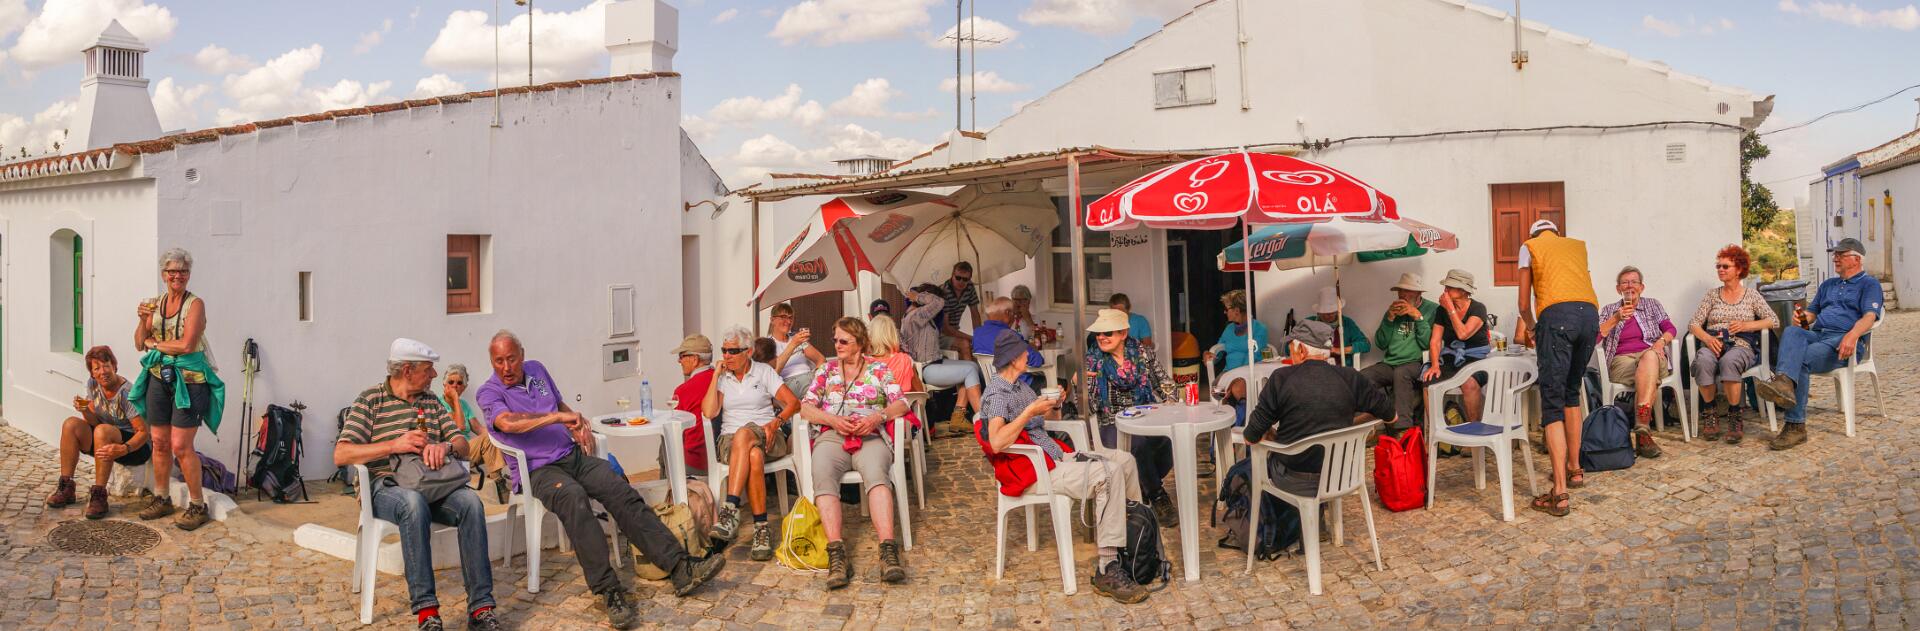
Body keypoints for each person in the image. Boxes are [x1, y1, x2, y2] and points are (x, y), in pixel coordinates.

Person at [477, 330, 724, 628]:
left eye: (511, 359)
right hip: (538, 470)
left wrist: (577, 423)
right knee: (574, 498)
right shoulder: (489, 392)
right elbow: (506, 423)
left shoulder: (537, 370)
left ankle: (679, 566)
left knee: (618, 487)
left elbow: (560, 404)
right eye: (499, 361)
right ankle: (608, 590)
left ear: (522, 355)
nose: (506, 367)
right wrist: (557, 418)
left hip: (571, 456)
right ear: (492, 362)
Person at [333, 339, 501, 631]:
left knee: (471, 503)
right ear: (407, 370)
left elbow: (462, 443)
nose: (434, 375)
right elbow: (342, 453)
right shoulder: (370, 400)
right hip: (384, 486)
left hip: (431, 484)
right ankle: (427, 613)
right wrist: (393, 445)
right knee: (413, 503)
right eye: (428, 369)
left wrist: (446, 446)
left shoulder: (431, 401)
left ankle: (481, 608)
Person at [976, 328, 1149, 604]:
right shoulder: (997, 394)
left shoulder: (1021, 386)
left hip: (1055, 457)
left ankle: (1133, 546)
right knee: (1109, 473)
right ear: (1013, 358)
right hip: (1035, 470)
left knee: (1125, 461)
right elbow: (996, 441)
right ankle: (1108, 568)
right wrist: (1029, 412)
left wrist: (1054, 406)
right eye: (1024, 352)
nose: (1028, 355)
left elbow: (1043, 425)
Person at [796, 317, 913, 589]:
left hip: (869, 434)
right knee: (822, 471)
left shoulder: (879, 369)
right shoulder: (826, 371)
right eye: (835, 340)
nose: (837, 345)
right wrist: (832, 420)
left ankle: (888, 551)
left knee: (877, 474)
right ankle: (837, 555)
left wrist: (876, 417)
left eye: (843, 341)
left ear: (859, 344)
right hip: (832, 435)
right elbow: (805, 408)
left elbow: (902, 404)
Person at [128, 247, 225, 531]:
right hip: (159, 378)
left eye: (182, 271)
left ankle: (197, 505)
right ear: (164, 274)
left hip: (190, 381)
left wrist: (155, 344)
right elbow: (139, 342)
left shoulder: (195, 305)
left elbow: (187, 345)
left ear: (188, 275)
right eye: (172, 271)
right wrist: (142, 321)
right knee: (159, 442)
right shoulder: (156, 304)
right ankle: (162, 497)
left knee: (181, 446)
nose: (177, 276)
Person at [1755, 238, 1883, 451]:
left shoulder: (1869, 284)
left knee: (1801, 360)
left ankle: (1795, 426)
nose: (1835, 258)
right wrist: (1802, 318)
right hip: (1819, 335)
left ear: (1856, 259)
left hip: (1844, 340)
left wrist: (1852, 335)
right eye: (1835, 254)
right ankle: (1784, 383)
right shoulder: (1828, 285)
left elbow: (1870, 317)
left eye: (1841, 255)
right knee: (1792, 331)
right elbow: (1812, 314)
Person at [1516, 219, 1599, 517]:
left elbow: (1523, 304)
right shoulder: (1576, 247)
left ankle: (1560, 493)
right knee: (1571, 393)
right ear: (1557, 233)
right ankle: (1575, 468)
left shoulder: (1529, 247)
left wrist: (1532, 328)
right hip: (1589, 316)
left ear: (1533, 234)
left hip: (1556, 317)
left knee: (1551, 402)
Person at [1242, 320, 1394, 481]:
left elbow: (1250, 437)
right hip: (1342, 477)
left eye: (1291, 347)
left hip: (1294, 479)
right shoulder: (1351, 377)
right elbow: (1391, 416)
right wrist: (1351, 426)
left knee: (1251, 461)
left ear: (1301, 350)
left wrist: (1270, 433)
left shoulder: (1280, 378)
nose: (1290, 353)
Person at [703, 326, 801, 561]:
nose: (726, 356)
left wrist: (776, 423)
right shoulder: (723, 378)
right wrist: (715, 376)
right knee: (752, 452)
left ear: (747, 352)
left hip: (768, 434)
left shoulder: (763, 372)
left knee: (745, 434)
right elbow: (708, 412)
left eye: (732, 351)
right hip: (731, 441)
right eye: (724, 350)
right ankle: (761, 529)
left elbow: (793, 403)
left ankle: (730, 510)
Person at [1083, 309, 1181, 523]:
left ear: (1123, 333)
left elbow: (1164, 382)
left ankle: (1141, 487)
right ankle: (1157, 495)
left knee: (1168, 441)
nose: (1101, 337)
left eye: (1107, 332)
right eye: (1099, 333)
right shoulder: (1092, 361)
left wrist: (1171, 402)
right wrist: (1083, 384)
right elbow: (1089, 407)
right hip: (1111, 421)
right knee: (1138, 445)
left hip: (1145, 415)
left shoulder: (1142, 353)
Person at [47, 346, 154, 520]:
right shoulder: (93, 385)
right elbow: (94, 422)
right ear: (92, 373)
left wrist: (124, 448)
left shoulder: (127, 393)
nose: (103, 372)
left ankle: (99, 495)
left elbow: (143, 432)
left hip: (136, 448)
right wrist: (84, 410)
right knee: (71, 424)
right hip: (105, 439)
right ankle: (66, 487)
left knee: (102, 431)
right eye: (97, 368)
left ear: (115, 366)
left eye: (106, 366)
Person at [1687, 245, 1779, 444]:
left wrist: (1747, 325)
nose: (1720, 269)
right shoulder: (1712, 295)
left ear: (1739, 270)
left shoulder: (1751, 295)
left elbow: (1773, 320)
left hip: (1741, 344)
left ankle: (1735, 415)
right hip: (1713, 343)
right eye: (1718, 266)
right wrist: (1707, 339)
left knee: (1730, 361)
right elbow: (1693, 324)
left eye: (1725, 266)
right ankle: (1710, 412)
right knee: (1702, 361)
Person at [1597, 266, 1675, 458]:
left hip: (1652, 354)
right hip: (1622, 361)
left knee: (1649, 358)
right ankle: (1643, 433)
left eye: (1634, 282)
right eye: (1625, 282)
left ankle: (1641, 426)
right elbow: (1595, 338)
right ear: (1618, 289)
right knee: (1648, 370)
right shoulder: (1608, 310)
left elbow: (1670, 329)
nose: (1629, 286)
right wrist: (1616, 318)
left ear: (1642, 287)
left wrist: (1660, 342)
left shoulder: (1653, 305)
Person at [1360, 274, 1439, 430]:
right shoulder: (1393, 310)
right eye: (1400, 291)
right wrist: (1389, 319)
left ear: (1418, 293)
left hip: (1417, 363)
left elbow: (1427, 344)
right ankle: (1364, 426)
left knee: (1401, 373)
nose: (1402, 295)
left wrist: (1418, 317)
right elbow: (1381, 343)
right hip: (1390, 363)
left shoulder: (1432, 310)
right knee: (1362, 377)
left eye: (1407, 291)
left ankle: (1402, 429)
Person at [905, 284, 984, 425]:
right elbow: (939, 302)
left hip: (934, 362)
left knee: (972, 366)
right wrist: (917, 296)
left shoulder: (919, 315)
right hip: (926, 369)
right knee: (970, 370)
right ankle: (983, 423)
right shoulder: (916, 315)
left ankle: (958, 418)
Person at [1423, 270, 1492, 423]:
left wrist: (1451, 309)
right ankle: (1436, 430)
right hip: (1450, 358)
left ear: (1463, 290)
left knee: (1469, 383)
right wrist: (1435, 365)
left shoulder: (1478, 308)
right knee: (1429, 383)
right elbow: (1435, 341)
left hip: (1476, 359)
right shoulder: (1441, 310)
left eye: (1450, 287)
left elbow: (1463, 334)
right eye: (1446, 286)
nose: (1445, 290)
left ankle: (1475, 429)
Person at [441, 363, 508, 503]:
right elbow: (458, 426)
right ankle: (499, 482)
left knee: (491, 436)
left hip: (467, 451)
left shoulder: (464, 404)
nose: (455, 386)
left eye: (459, 383)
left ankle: (498, 480)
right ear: (444, 384)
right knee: (487, 438)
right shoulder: (438, 403)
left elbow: (479, 429)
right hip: (451, 452)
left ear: (464, 387)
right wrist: (455, 399)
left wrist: (501, 436)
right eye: (451, 382)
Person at [1205, 289, 1269, 410]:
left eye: (1226, 309)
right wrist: (1208, 355)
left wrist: (1234, 378)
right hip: (1228, 372)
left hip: (1251, 372)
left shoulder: (1259, 329)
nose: (1224, 312)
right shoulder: (1229, 329)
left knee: (1237, 388)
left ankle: (1245, 419)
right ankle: (1225, 418)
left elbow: (1253, 356)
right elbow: (1218, 353)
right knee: (1217, 390)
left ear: (1237, 310)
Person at [669, 335, 716, 477]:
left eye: (682, 356)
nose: (679, 361)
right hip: (723, 457)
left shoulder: (683, 391)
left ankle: (672, 488)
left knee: (666, 443)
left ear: (695, 359)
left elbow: (676, 431)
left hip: (696, 462)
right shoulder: (723, 379)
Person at [769, 302, 827, 399]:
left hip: (810, 377)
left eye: (790, 318)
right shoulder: (768, 344)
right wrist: (793, 344)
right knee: (823, 395)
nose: (788, 321)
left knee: (836, 383)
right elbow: (773, 373)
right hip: (790, 382)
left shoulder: (796, 337)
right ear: (772, 320)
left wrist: (817, 377)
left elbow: (821, 359)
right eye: (783, 317)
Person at [1305, 287, 1370, 367]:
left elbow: (1365, 345)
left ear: (1337, 311)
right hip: (1314, 367)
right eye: (1324, 312)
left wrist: (1339, 350)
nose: (1328, 316)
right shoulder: (1309, 323)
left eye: (1331, 312)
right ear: (1318, 312)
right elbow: (1292, 346)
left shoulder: (1347, 323)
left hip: (1341, 368)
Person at [938, 261, 983, 355]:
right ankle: (969, 365)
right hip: (938, 334)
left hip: (954, 331)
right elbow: (946, 328)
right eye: (958, 278)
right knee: (965, 344)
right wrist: (972, 338)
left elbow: (975, 314)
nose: (961, 282)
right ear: (952, 276)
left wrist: (979, 336)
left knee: (977, 346)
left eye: (965, 279)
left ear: (969, 279)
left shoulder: (970, 287)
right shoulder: (944, 291)